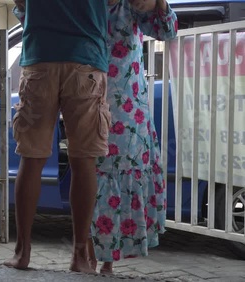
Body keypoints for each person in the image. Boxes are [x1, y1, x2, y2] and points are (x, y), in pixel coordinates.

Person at [4, 0, 111, 274]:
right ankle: (79, 257)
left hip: (40, 57)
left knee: (31, 157)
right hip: (86, 59)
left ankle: (23, 252)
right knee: (83, 161)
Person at [87, 0, 178, 274]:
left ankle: (107, 259)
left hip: (128, 110)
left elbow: (168, 30)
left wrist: (159, 3)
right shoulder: (85, 5)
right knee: (91, 173)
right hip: (87, 98)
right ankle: (88, 251)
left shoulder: (134, 5)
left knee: (115, 174)